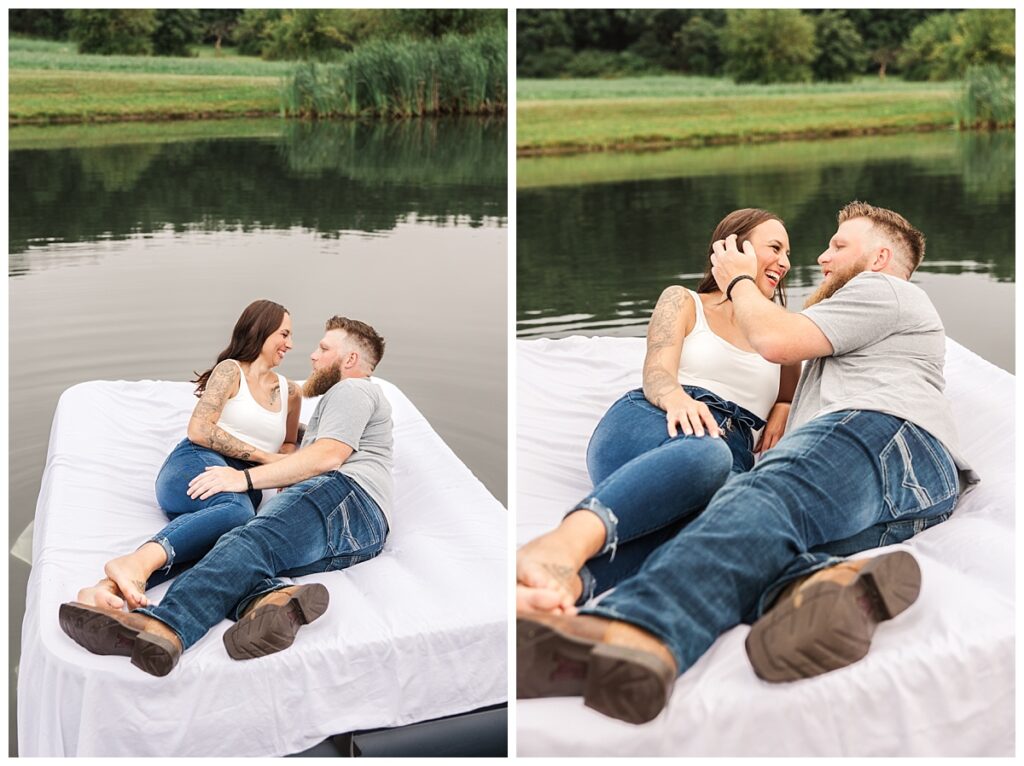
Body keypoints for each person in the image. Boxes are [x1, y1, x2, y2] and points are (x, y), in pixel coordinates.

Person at [517, 202, 978, 725]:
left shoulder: (879, 291)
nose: (818, 258)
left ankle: (637, 629)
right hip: (677, 421)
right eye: (776, 247)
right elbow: (665, 369)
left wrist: (745, 294)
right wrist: (700, 398)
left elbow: (778, 343)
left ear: (878, 258)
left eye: (837, 245)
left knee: (745, 492)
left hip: (880, 441)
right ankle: (810, 587)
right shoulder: (694, 302)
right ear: (729, 247)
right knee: (744, 528)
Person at [59, 316, 393, 677]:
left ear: (349, 361)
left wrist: (244, 478)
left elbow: (326, 457)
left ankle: (165, 625)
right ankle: (264, 599)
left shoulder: (353, 390)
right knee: (232, 552)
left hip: (347, 501)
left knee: (251, 541)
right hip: (357, 538)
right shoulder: (342, 404)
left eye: (324, 348)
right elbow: (307, 444)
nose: (313, 356)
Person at [517, 209, 800, 615]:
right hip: (655, 417)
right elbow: (656, 370)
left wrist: (783, 407)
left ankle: (569, 586)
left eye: (789, 253)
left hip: (731, 447)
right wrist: (677, 397)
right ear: (733, 248)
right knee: (708, 454)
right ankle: (559, 544)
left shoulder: (780, 330)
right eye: (775, 247)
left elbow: (788, 392)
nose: (786, 262)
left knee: (726, 517)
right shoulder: (683, 301)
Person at [76, 299, 301, 611]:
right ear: (261, 331)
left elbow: (289, 442)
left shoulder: (290, 391)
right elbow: (199, 429)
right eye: (284, 334)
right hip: (195, 462)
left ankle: (107, 588)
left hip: (244, 484)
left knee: (224, 540)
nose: (290, 344)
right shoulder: (231, 371)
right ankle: (134, 563)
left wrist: (286, 468)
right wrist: (266, 459)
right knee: (237, 515)